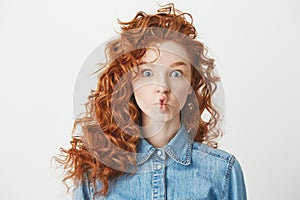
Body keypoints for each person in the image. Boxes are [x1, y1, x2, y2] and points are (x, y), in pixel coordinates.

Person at [56, 3, 247, 200]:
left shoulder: (223, 171)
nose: (162, 86)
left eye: (176, 73)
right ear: (129, 82)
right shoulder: (95, 173)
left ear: (191, 83)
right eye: (148, 73)